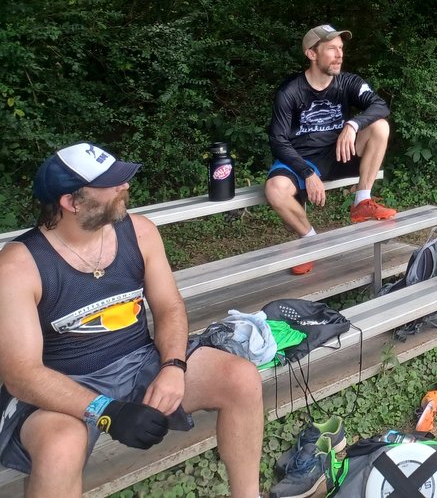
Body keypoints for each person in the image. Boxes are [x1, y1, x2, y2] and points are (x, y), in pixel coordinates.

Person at [0, 143, 264, 498]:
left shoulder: (139, 232)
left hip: (141, 361)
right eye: (111, 184)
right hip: (64, 382)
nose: (125, 187)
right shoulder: (19, 266)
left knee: (240, 378)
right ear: (71, 202)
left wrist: (173, 366)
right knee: (61, 446)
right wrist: (106, 410)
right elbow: (22, 374)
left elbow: (169, 306)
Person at [266, 24, 394, 275]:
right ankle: (311, 241)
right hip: (302, 158)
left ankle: (362, 201)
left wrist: (353, 124)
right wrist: (306, 173)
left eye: (341, 49)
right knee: (275, 189)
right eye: (331, 49)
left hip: (339, 152)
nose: (339, 55)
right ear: (311, 54)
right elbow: (278, 140)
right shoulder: (289, 92)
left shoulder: (348, 82)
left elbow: (380, 106)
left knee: (380, 126)